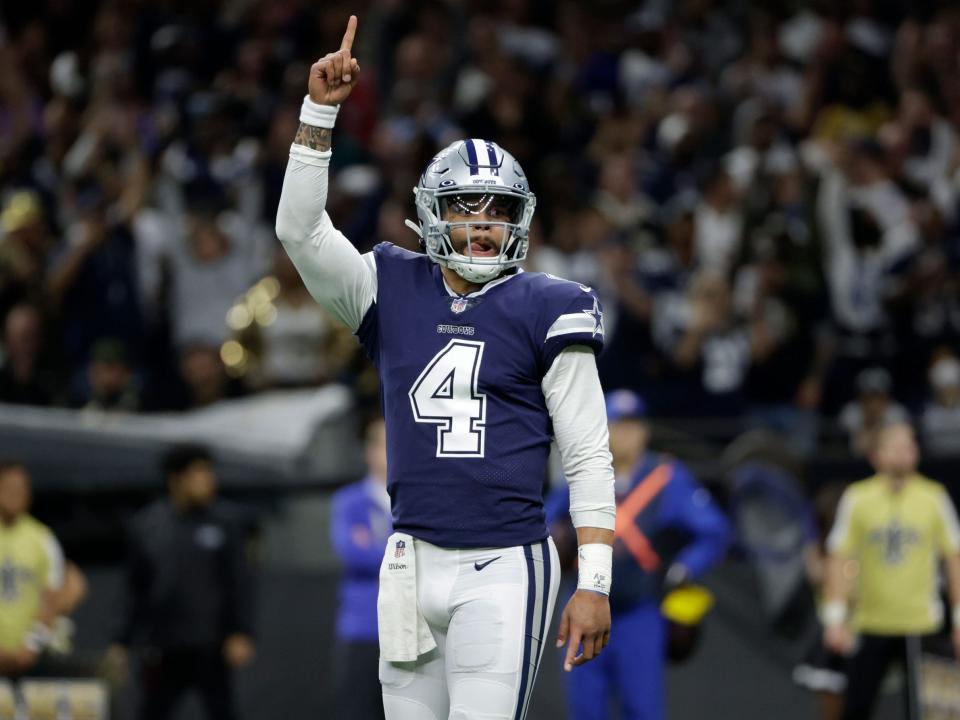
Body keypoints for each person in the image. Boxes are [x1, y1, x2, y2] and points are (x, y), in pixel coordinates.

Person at [275, 16, 616, 720]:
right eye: (467, 207)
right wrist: (319, 114)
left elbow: (586, 453)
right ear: (433, 214)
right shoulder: (389, 284)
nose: (486, 224)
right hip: (408, 560)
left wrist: (597, 580)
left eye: (500, 210)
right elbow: (299, 232)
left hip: (503, 563)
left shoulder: (548, 304)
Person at [547, 390, 731, 720]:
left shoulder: (666, 477)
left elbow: (714, 531)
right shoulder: (581, 473)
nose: (627, 434)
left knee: (642, 709)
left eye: (634, 425)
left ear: (645, 431)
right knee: (585, 710)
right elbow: (544, 526)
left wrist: (685, 568)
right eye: (619, 425)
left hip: (639, 611)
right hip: (584, 605)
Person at [106, 444, 256, 720]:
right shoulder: (147, 525)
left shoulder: (225, 523)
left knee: (224, 712)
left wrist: (241, 631)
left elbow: (240, 581)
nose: (209, 481)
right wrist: (121, 641)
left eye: (209, 473)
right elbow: (133, 590)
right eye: (200, 474)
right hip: (162, 646)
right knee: (151, 713)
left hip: (211, 646)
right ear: (177, 480)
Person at [823, 422, 960, 720]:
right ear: (877, 454)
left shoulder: (933, 497)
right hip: (870, 622)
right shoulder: (857, 497)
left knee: (928, 712)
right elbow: (838, 557)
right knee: (856, 708)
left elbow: (954, 559)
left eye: (909, 446)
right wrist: (835, 617)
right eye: (895, 447)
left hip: (921, 623)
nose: (902, 454)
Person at [330, 417, 393, 720]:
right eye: (383, 444)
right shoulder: (349, 501)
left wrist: (379, 546)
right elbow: (354, 553)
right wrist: (405, 557)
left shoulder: (418, 501)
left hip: (412, 629)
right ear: (369, 450)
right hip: (363, 628)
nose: (391, 451)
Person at [0, 461, 65, 677]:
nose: (15, 495)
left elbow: (52, 598)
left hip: (29, 660)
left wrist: (31, 645)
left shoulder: (43, 538)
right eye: (9, 488)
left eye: (22, 489)